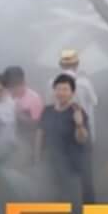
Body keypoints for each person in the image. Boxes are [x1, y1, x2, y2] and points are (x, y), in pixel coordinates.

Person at [35, 73, 95, 205]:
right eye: (58, 89)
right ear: (54, 91)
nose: (61, 93)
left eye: (65, 89)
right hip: (55, 159)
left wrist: (79, 124)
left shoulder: (77, 111)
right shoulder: (48, 110)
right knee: (57, 193)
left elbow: (82, 138)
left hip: (77, 159)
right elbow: (40, 133)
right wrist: (37, 156)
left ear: (72, 93)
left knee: (84, 195)